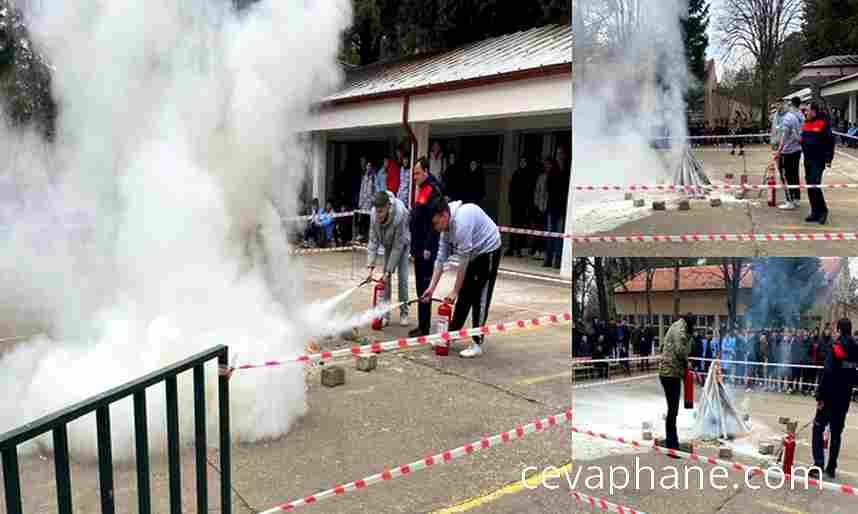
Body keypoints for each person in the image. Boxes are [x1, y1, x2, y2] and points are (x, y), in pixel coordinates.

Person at [420, 196, 502, 358]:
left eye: (436, 223)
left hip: (489, 250)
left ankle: (477, 343)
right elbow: (441, 258)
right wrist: (431, 288)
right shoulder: (446, 228)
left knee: (480, 297)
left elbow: (462, 262)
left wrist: (454, 291)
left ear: (444, 215)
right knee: (465, 295)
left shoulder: (461, 223)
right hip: (473, 253)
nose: (435, 228)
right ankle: (451, 335)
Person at [811, 318, 858, 480]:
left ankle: (818, 464)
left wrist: (820, 396)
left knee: (818, 428)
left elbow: (828, 373)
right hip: (844, 399)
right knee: (836, 433)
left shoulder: (836, 347)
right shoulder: (855, 349)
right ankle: (831, 467)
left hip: (829, 397)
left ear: (839, 330)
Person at [366, 191, 411, 328]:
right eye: (376, 211)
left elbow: (397, 247)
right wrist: (370, 267)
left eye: (381, 211)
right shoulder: (374, 215)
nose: (378, 215)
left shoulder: (400, 214)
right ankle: (386, 315)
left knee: (402, 278)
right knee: (385, 282)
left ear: (388, 207)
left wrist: (388, 271)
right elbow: (373, 242)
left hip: (401, 244)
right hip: (387, 244)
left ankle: (404, 312)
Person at [408, 157, 441, 337]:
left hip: (426, 250)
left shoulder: (432, 191)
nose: (415, 176)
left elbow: (433, 224)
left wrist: (428, 248)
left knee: (425, 286)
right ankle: (422, 325)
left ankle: (425, 327)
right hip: (419, 248)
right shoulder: (423, 189)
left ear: (426, 172)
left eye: (418, 172)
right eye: (414, 173)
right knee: (421, 286)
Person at [659, 314, 694, 453]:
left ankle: (671, 441)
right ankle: (672, 444)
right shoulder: (681, 330)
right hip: (670, 373)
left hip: (668, 372)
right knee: (673, 410)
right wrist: (687, 362)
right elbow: (681, 350)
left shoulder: (676, 326)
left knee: (672, 409)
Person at [800, 101, 835, 224]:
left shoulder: (823, 123)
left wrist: (828, 159)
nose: (805, 112)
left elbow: (830, 142)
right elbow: (803, 140)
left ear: (814, 111)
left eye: (807, 110)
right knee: (810, 185)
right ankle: (814, 211)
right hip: (807, 160)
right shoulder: (805, 124)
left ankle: (823, 211)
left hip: (818, 160)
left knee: (815, 184)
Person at [544, 157, 570, 269]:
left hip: (557, 210)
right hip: (555, 209)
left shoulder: (561, 176)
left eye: (547, 165)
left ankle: (553, 260)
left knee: (556, 237)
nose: (546, 167)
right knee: (554, 236)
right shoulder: (552, 176)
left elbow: (548, 190)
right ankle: (553, 261)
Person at [506, 157, 534, 257]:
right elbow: (511, 188)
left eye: (523, 161)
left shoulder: (528, 175)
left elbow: (529, 192)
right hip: (515, 204)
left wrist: (528, 205)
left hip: (523, 205)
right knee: (513, 226)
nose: (522, 163)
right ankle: (511, 247)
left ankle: (519, 249)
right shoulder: (516, 173)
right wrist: (511, 200)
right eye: (520, 161)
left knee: (521, 227)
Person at [358, 160, 377, 241]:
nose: (368, 167)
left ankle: (369, 236)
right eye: (367, 166)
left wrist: (373, 200)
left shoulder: (373, 177)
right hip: (363, 202)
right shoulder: (364, 177)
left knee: (369, 220)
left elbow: (376, 189)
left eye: (370, 166)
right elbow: (361, 190)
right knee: (362, 219)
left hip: (370, 202)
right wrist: (360, 201)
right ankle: (362, 235)